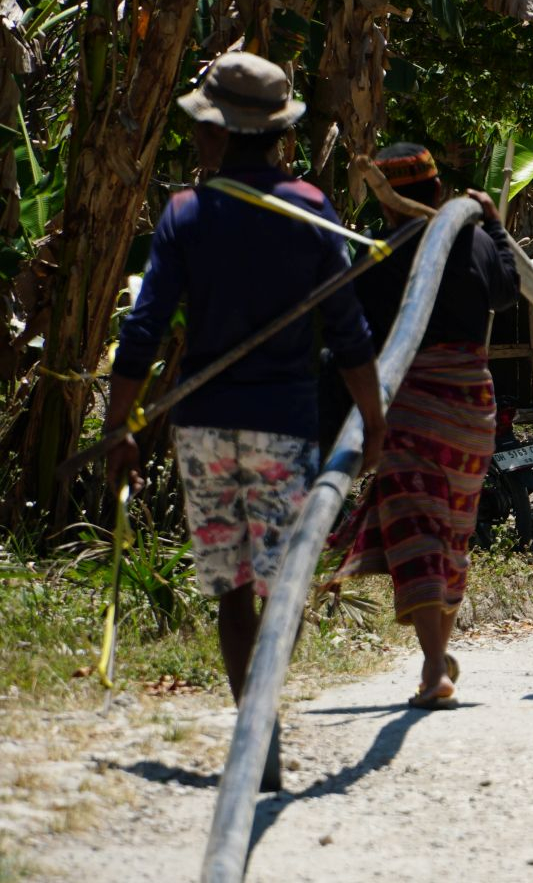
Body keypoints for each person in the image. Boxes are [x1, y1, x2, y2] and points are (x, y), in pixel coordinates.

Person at [106, 51, 386, 790]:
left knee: (234, 587)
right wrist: (373, 419)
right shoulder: (309, 208)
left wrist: (118, 426)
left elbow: (143, 331)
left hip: (202, 426)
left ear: (218, 135)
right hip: (283, 428)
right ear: (277, 134)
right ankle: (262, 716)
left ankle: (252, 722)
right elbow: (349, 330)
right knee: (280, 584)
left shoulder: (188, 213)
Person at [327, 143, 518, 709]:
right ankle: (438, 655)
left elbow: (350, 338)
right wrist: (498, 228)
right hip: (469, 408)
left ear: (386, 205)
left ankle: (435, 664)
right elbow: (507, 292)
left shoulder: (380, 254)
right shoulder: (476, 240)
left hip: (410, 405)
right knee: (452, 529)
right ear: (438, 192)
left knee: (417, 529)